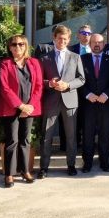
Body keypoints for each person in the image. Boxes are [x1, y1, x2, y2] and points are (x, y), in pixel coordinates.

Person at [38, 25, 85, 178]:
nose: (62, 41)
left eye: (65, 39)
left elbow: (81, 79)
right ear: (54, 38)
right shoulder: (45, 58)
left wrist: (68, 85)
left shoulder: (75, 57)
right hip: (51, 101)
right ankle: (44, 167)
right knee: (46, 136)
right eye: (59, 38)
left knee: (71, 136)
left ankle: (71, 165)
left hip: (70, 100)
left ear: (69, 40)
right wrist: (49, 84)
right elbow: (38, 81)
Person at [0, 34, 42, 188]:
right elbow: (4, 87)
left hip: (29, 108)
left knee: (25, 140)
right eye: (14, 44)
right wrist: (20, 106)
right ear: (9, 47)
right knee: (12, 141)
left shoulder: (34, 63)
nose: (18, 47)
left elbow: (38, 86)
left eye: (21, 44)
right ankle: (9, 174)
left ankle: (25, 170)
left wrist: (30, 106)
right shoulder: (5, 64)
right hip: (11, 108)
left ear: (26, 46)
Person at [80, 33, 109, 173]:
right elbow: (78, 79)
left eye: (99, 42)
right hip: (88, 103)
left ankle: (104, 162)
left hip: (106, 103)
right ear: (89, 44)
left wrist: (106, 94)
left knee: (105, 134)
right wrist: (88, 94)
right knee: (87, 134)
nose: (96, 44)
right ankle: (87, 163)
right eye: (94, 42)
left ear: (104, 44)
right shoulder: (81, 59)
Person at [69, 24, 93, 150]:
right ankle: (75, 143)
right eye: (83, 33)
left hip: (91, 90)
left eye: (89, 33)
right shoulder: (71, 49)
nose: (86, 36)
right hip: (74, 89)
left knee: (88, 118)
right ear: (78, 35)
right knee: (74, 118)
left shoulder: (96, 48)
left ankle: (87, 142)